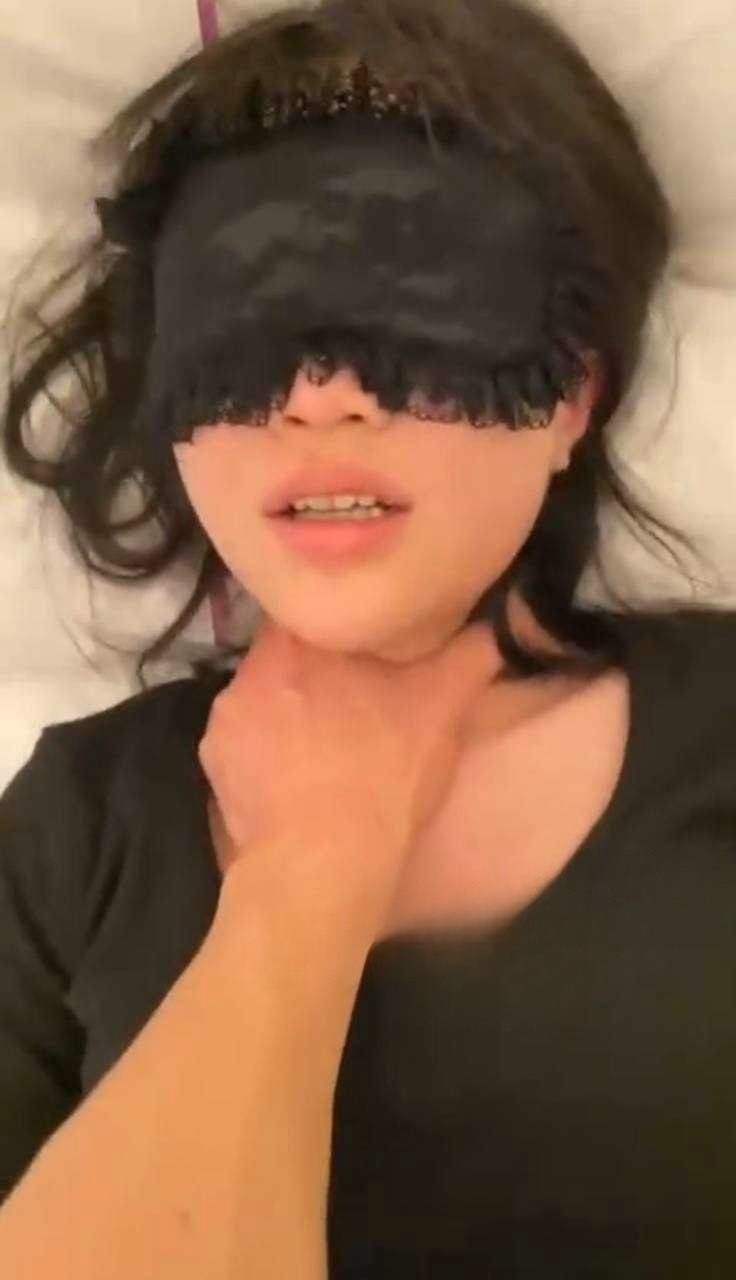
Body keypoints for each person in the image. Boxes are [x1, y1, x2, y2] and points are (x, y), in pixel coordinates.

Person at [1, 0, 735, 1274]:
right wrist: (307, 878)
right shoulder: (73, 823)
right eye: (241, 332)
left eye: (412, 315)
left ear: (574, 393)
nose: (317, 398)